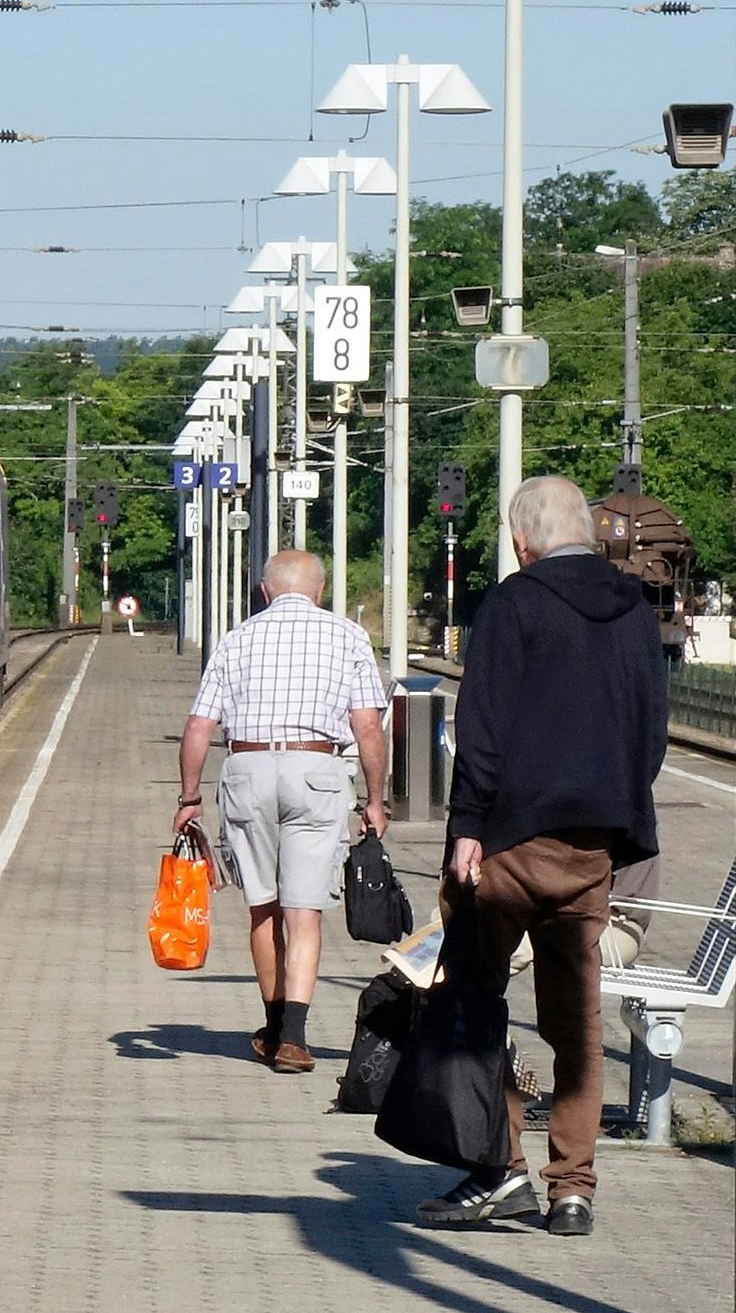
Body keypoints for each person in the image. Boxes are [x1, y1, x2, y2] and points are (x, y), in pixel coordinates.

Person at [418, 474, 665, 1238]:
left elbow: (482, 728)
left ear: (523, 541)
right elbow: (650, 731)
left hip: (510, 842)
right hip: (593, 844)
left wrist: (466, 827)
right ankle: (574, 1187)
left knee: (473, 1000)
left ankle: (500, 1170)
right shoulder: (635, 612)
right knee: (576, 1018)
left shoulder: (513, 604)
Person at [176, 549, 391, 1075]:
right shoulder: (347, 636)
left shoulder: (237, 638)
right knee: (304, 912)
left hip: (248, 767)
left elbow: (199, 728)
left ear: (265, 592)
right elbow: (367, 728)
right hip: (316, 771)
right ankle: (294, 1038)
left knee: (263, 907)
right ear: (320, 592)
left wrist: (188, 798)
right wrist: (376, 799)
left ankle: (272, 1027)